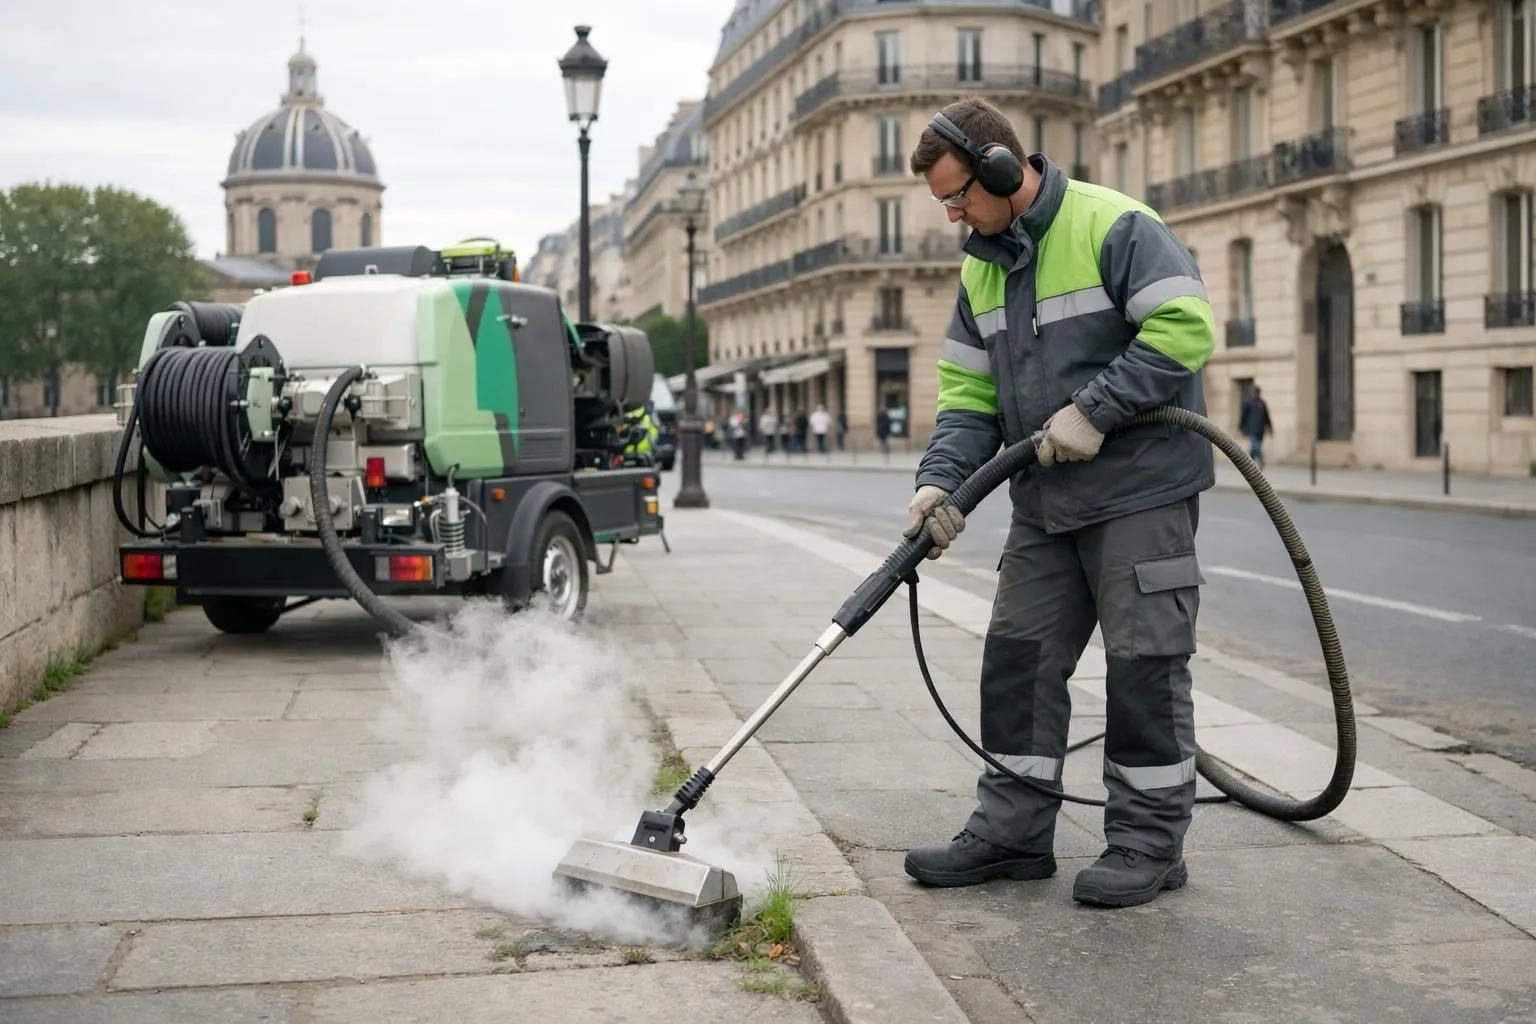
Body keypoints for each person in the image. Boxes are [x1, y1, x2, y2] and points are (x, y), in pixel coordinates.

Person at [900, 97, 1217, 909]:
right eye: (944, 202)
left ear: (1004, 169)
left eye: (959, 196)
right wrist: (940, 482)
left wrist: (1095, 410)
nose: (953, 215)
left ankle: (1148, 844)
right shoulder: (982, 266)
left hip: (1140, 489)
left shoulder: (1115, 225)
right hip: (1045, 501)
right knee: (1017, 658)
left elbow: (1184, 327)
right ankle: (1011, 830)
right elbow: (968, 393)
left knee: (1143, 669)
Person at [1239, 385, 1272, 468]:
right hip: (1252, 429)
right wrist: (1241, 427)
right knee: (1256, 446)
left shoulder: (1262, 403)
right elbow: (1243, 416)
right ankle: (1261, 460)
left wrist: (1270, 428)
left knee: (1255, 448)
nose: (1256, 394)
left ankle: (1249, 463)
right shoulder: (1248, 403)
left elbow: (1267, 416)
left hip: (1261, 429)